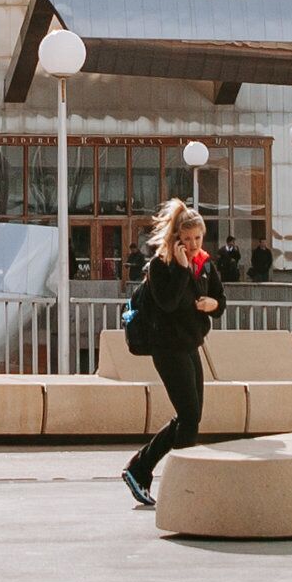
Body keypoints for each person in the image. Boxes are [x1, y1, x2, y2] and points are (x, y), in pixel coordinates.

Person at [118, 198, 223, 508]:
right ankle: (180, 486)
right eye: (187, 239)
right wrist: (179, 268)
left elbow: (220, 298)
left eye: (197, 239)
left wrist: (214, 305)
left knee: (191, 417)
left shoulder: (205, 264)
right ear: (177, 237)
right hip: (167, 348)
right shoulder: (161, 267)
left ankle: (139, 468)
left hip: (190, 345)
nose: (192, 245)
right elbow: (167, 302)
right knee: (189, 416)